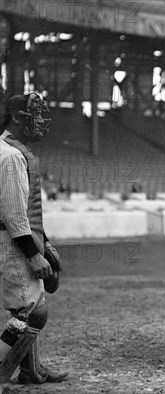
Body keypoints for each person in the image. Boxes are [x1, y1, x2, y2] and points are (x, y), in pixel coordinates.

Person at [0, 93, 68, 384]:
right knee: (31, 313)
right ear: (16, 118)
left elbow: (27, 209)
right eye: (34, 116)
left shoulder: (13, 151)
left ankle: (31, 370)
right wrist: (33, 254)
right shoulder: (11, 156)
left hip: (17, 237)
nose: (40, 122)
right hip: (12, 242)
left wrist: (46, 242)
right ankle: (1, 370)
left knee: (29, 304)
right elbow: (14, 214)